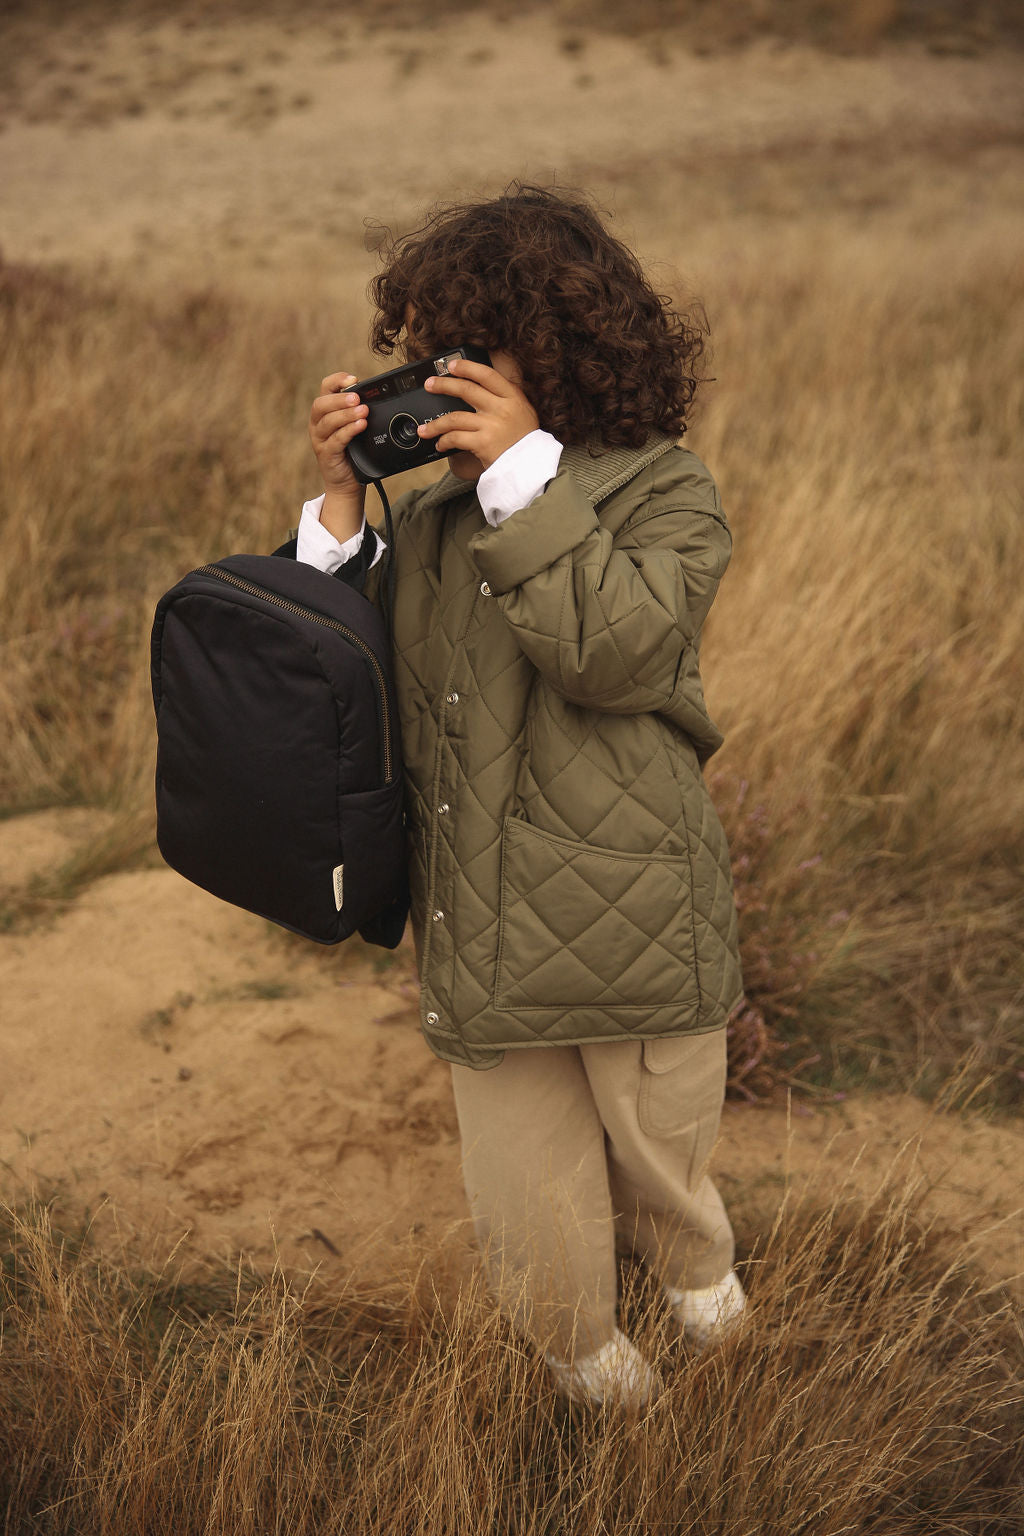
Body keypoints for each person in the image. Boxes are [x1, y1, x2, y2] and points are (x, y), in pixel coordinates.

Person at [295, 185, 746, 1410]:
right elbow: (348, 690)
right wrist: (340, 517)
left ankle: (705, 1293)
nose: (441, 378)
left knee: (659, 1159)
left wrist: (523, 480)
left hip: (632, 909)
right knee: (526, 1190)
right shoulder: (436, 515)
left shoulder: (665, 490)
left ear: (560, 350)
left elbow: (619, 654)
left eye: (474, 349)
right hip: (480, 920)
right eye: (426, 350)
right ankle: (591, 1361)